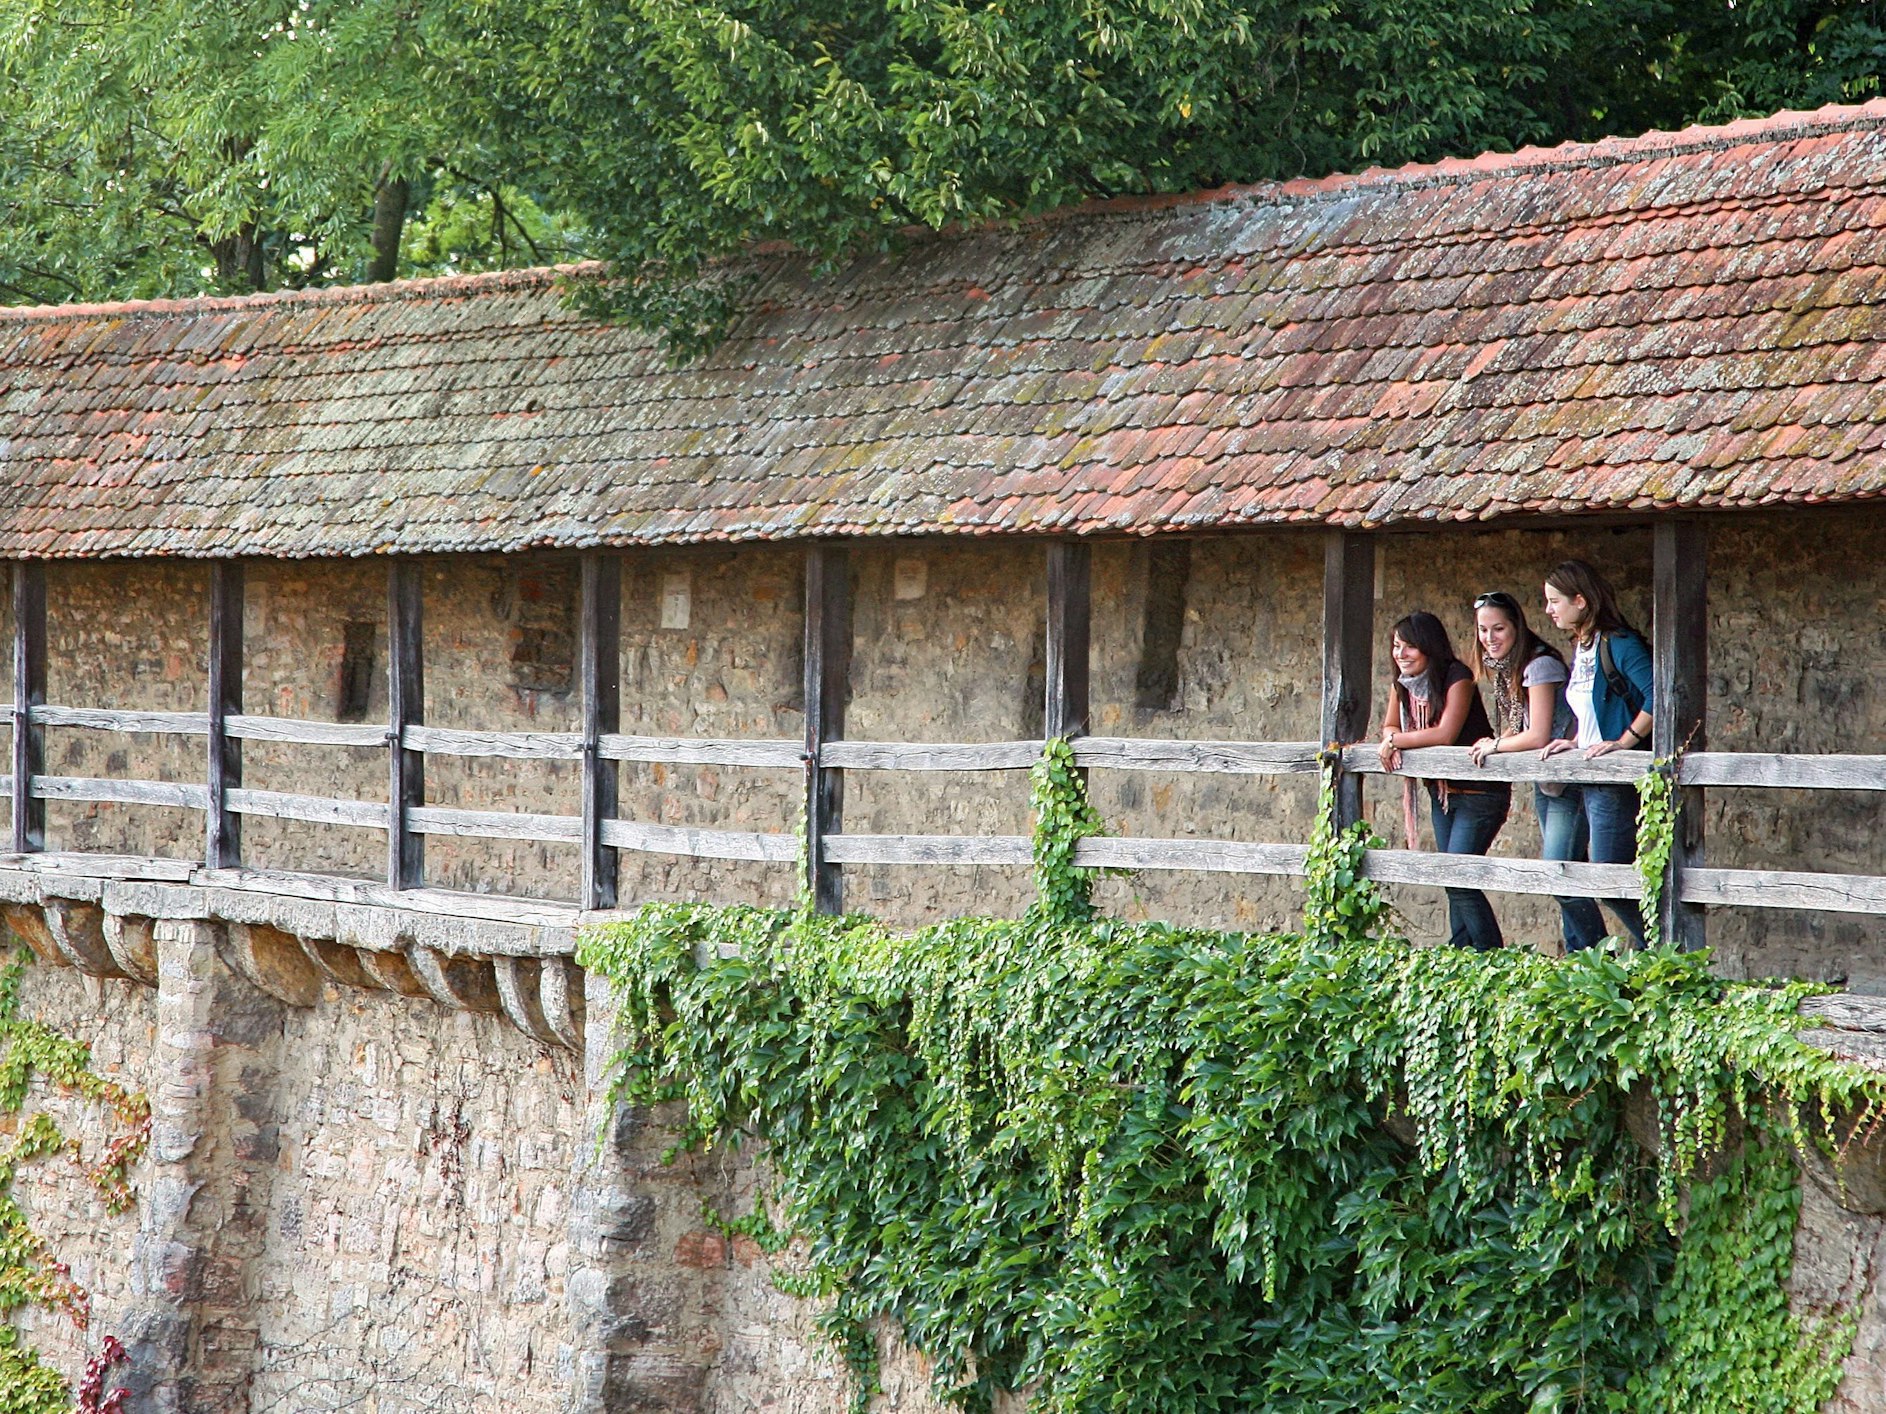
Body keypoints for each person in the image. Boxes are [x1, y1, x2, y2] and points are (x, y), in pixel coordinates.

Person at [1464, 590, 1607, 952]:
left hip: (1568, 780)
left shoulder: (1540, 665)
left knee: (1558, 874)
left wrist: (1495, 745)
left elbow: (1539, 733)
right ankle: (1582, 958)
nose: (1489, 638)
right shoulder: (1505, 669)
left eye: (1498, 629)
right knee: (1564, 874)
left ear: (1517, 628)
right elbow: (1518, 725)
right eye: (1483, 630)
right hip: (1548, 783)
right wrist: (1497, 740)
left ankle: (1597, 957)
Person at [1378, 611, 1511, 951]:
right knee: (1451, 877)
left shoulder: (1457, 677)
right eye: (1396, 646)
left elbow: (1445, 732)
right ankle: (1462, 954)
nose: (1401, 655)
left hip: (1478, 792)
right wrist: (1391, 736)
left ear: (1430, 649)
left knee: (1458, 878)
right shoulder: (1402, 684)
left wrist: (1395, 742)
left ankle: (1491, 956)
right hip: (1442, 794)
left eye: (1410, 647)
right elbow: (1390, 724)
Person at [1539, 561, 1654, 947]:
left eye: (1555, 601)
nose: (1549, 610)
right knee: (1567, 870)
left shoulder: (1619, 644)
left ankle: (1660, 945)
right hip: (1586, 773)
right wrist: (1577, 739)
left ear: (1581, 601)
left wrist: (1625, 741)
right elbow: (1591, 709)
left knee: (1608, 873)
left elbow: (1659, 696)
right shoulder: (1582, 647)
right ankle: (1610, 957)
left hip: (1611, 779)